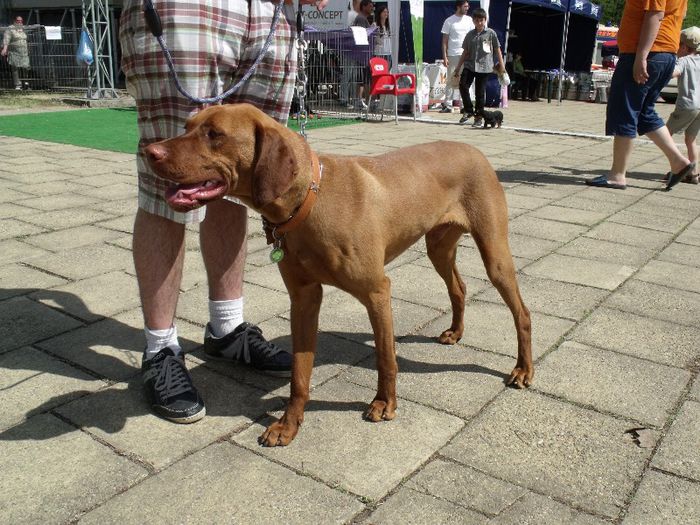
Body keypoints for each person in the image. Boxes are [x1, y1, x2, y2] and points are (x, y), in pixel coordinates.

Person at [119, 0, 327, 425]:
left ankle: (227, 330)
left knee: (243, 178)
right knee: (172, 175)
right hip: (190, 7)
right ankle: (160, 348)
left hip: (275, 13)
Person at [585, 0, 694, 191]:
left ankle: (617, 175)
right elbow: (678, 15)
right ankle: (679, 162)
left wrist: (641, 56)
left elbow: (655, 15)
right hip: (666, 52)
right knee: (644, 113)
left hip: (646, 52)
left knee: (624, 109)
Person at [453, 7, 505, 127]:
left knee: (479, 93)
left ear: (485, 20)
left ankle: (478, 117)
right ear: (473, 21)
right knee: (463, 85)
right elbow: (465, 52)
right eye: (476, 20)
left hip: (484, 67)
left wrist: (502, 66)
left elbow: (498, 50)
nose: (479, 23)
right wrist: (457, 67)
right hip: (470, 65)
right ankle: (468, 110)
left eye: (481, 20)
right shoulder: (470, 35)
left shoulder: (491, 33)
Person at [664, 26, 700, 184]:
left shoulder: (684, 60)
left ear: (684, 47)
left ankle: (678, 167)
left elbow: (673, 73)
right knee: (691, 140)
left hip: (687, 105)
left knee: (664, 134)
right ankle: (694, 174)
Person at [440, 0, 473, 113]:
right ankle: (448, 105)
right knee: (451, 79)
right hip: (453, 54)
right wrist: (445, 56)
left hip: (466, 54)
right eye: (465, 6)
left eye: (468, 6)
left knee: (465, 80)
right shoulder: (449, 21)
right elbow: (444, 40)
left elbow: (472, 38)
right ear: (458, 6)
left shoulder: (469, 20)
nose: (467, 8)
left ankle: (465, 106)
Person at [352, 0, 375, 110]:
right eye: (370, 6)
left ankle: (363, 100)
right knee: (362, 78)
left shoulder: (362, 18)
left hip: (363, 53)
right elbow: (360, 36)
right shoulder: (361, 19)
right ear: (364, 6)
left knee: (364, 78)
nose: (372, 8)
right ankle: (360, 100)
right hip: (362, 54)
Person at [2, 15, 30, 90]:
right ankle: (17, 85)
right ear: (14, 21)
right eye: (18, 20)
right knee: (15, 68)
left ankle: (26, 83)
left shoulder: (23, 28)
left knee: (26, 67)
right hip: (14, 52)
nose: (20, 22)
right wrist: (5, 49)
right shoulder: (10, 28)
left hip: (24, 52)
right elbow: (6, 39)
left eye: (21, 21)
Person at [373, 4, 391, 69]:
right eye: (384, 12)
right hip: (379, 52)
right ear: (380, 13)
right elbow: (373, 39)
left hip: (387, 52)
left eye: (387, 12)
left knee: (387, 69)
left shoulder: (387, 26)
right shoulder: (375, 25)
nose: (386, 13)